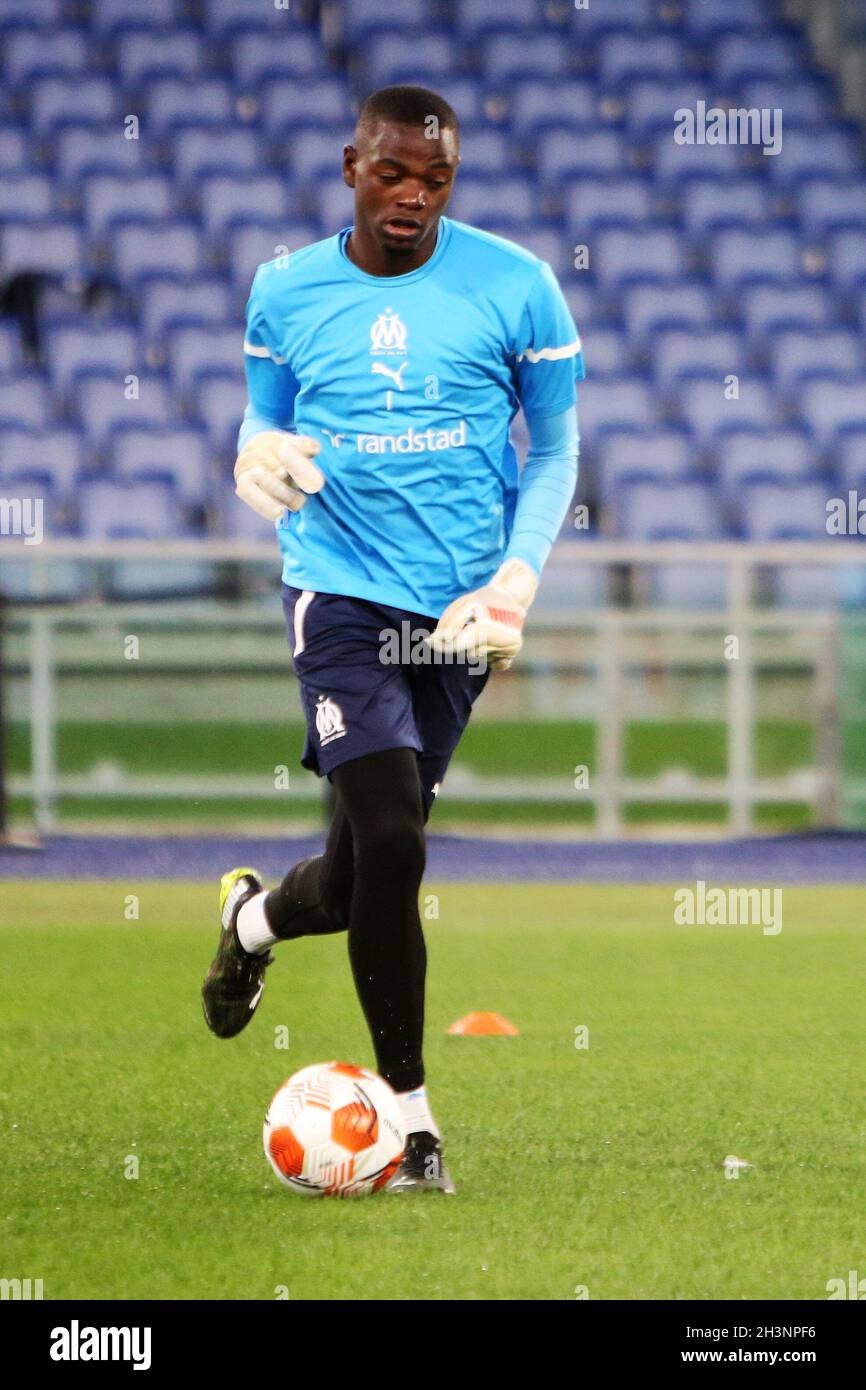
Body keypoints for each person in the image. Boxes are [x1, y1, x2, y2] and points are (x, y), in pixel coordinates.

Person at [202, 85, 584, 1192]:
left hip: (458, 616)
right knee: (395, 838)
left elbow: (553, 453)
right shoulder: (284, 288)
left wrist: (513, 582)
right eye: (392, 173)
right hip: (339, 594)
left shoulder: (516, 287)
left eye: (435, 178)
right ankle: (413, 1124)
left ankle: (255, 918)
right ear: (349, 166)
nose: (412, 194)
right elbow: (256, 415)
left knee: (357, 868)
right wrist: (254, 455)